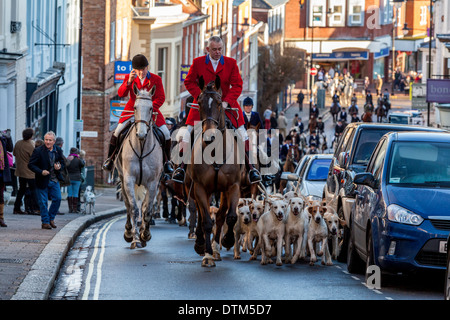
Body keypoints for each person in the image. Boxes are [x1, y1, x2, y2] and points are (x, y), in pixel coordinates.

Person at [173, 36, 261, 184]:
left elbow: (238, 85)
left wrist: (227, 101)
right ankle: (181, 169)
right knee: (186, 134)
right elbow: (188, 81)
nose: (217, 52)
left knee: (243, 134)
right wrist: (200, 97)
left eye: (220, 49)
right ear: (208, 49)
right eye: (214, 49)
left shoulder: (231, 63)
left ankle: (251, 169)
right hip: (203, 106)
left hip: (226, 105)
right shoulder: (198, 62)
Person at [102, 54, 173, 175]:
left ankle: (167, 162)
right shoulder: (129, 78)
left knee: (166, 133)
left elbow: (161, 97)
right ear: (134, 70)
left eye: (143, 69)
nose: (141, 72)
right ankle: (110, 159)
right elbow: (122, 93)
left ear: (147, 67)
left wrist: (147, 108)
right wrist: (128, 82)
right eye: (138, 70)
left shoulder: (156, 79)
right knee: (117, 131)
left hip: (151, 110)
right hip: (131, 110)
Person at [28, 131, 65, 229]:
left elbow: (62, 162)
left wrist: (59, 166)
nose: (47, 142)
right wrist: (41, 171)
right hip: (42, 180)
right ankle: (45, 222)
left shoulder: (58, 150)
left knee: (58, 199)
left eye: (50, 140)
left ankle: (51, 218)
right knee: (43, 202)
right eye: (46, 140)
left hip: (54, 180)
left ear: (54, 141)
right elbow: (30, 164)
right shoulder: (38, 150)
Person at [13, 128, 38, 215]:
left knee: (21, 190)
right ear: (31, 136)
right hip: (30, 171)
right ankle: (35, 208)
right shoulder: (31, 145)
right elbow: (35, 157)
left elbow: (14, 153)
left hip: (20, 170)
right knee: (34, 190)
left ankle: (16, 207)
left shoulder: (18, 143)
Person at [0, 129, 13, 227]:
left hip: (1, 172)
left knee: (0, 195)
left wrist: (9, 138)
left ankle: (1, 217)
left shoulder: (2, 139)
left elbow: (10, 148)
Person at [66, 147, 85, 213]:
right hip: (77, 179)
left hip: (69, 178)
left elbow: (65, 166)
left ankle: (70, 209)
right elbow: (83, 165)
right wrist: (80, 158)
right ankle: (74, 209)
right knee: (76, 194)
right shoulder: (78, 159)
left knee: (69, 193)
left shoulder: (68, 159)